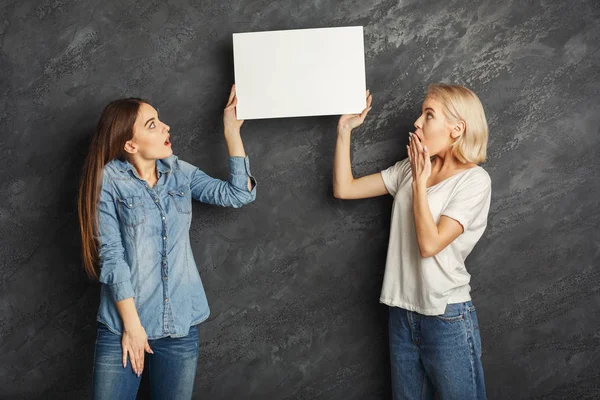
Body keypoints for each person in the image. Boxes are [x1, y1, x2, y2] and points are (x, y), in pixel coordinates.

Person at [77, 85, 256, 399]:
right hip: (123, 325)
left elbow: (237, 194)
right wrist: (132, 328)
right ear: (130, 144)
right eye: (152, 124)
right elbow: (112, 256)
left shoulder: (179, 171)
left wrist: (231, 130)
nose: (165, 127)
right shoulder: (108, 181)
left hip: (179, 328)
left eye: (159, 120)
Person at [333, 84, 491, 399]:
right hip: (401, 311)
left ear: (456, 129)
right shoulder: (409, 169)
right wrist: (343, 130)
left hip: (446, 315)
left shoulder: (474, 181)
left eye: (429, 115)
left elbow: (429, 244)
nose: (417, 122)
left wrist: (420, 182)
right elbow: (344, 189)